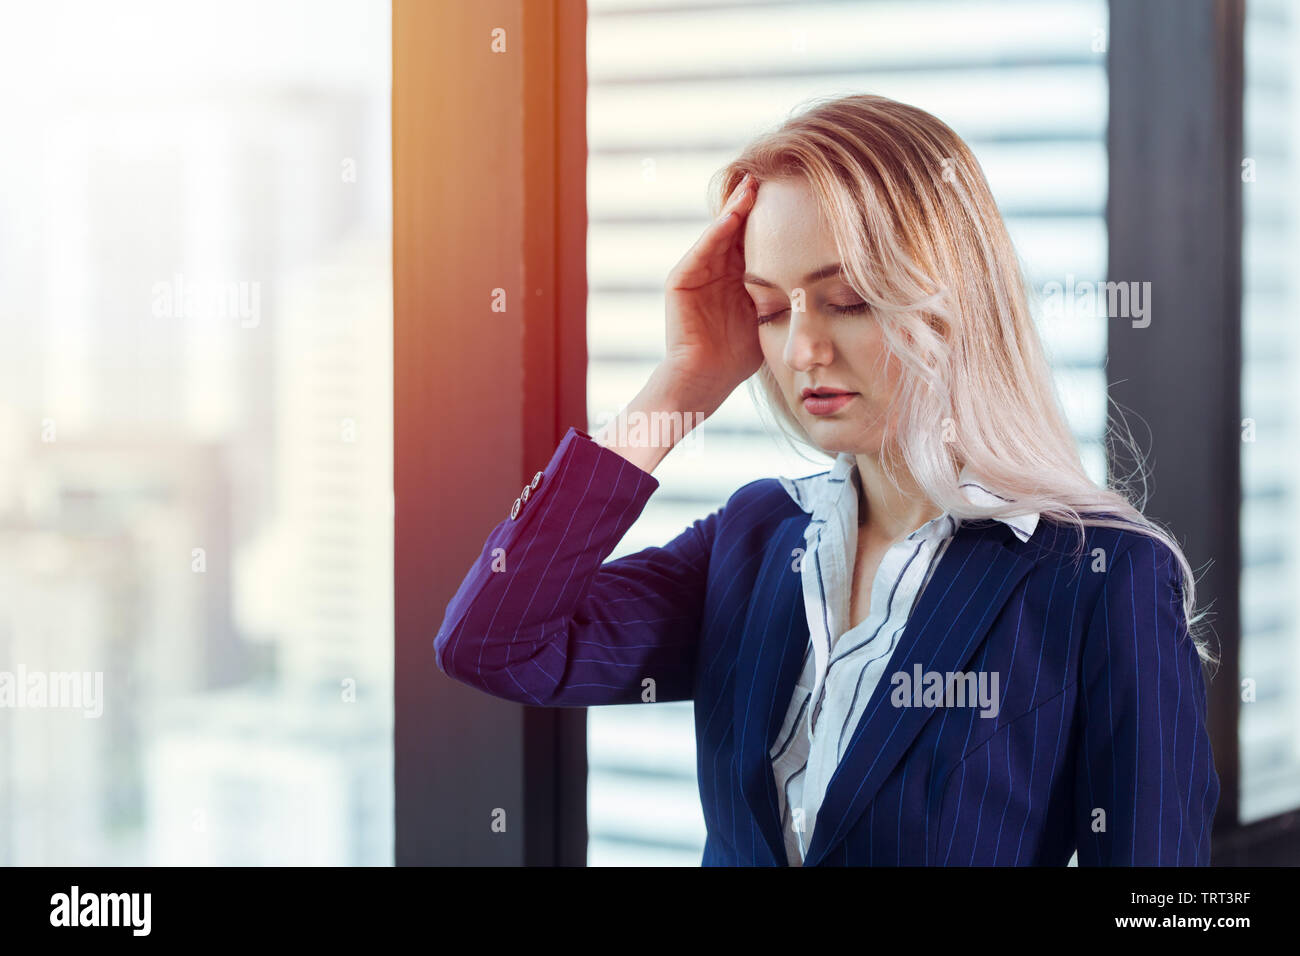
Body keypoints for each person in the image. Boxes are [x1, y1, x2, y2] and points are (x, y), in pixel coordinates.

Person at [435, 93, 1220, 866]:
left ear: (954, 302)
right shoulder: (753, 538)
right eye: (770, 311)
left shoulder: (1098, 577)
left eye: (846, 301)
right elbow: (494, 644)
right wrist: (679, 388)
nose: (802, 350)